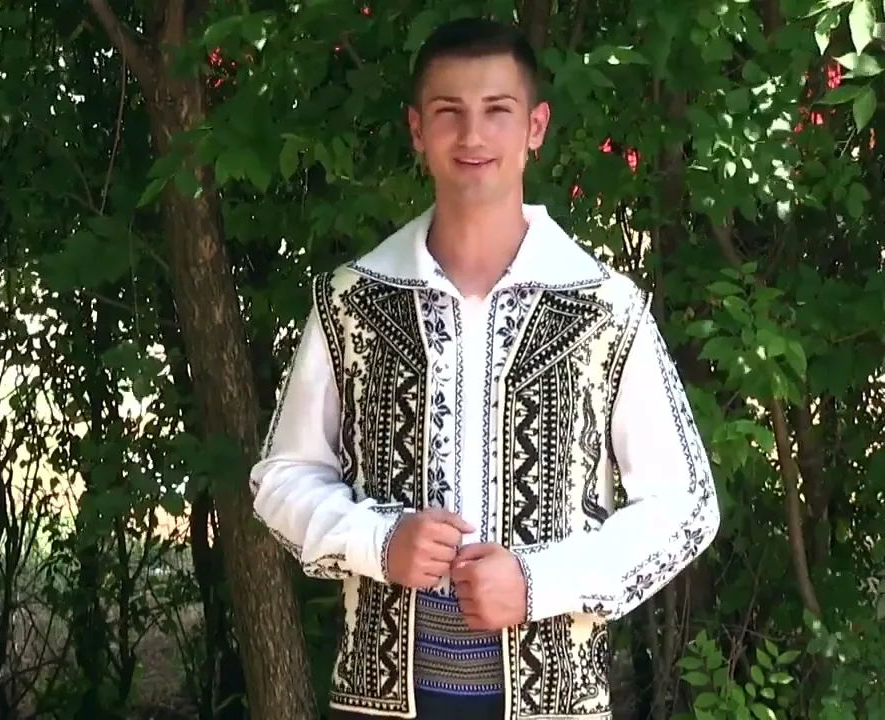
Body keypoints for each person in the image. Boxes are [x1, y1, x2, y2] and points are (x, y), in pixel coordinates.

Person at [249, 16, 720, 720]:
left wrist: (540, 583)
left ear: (535, 127)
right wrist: (379, 541)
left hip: (556, 703)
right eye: (449, 112)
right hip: (379, 703)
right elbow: (283, 479)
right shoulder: (352, 301)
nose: (472, 135)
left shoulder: (605, 310)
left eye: (497, 110)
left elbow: (684, 506)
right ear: (417, 130)